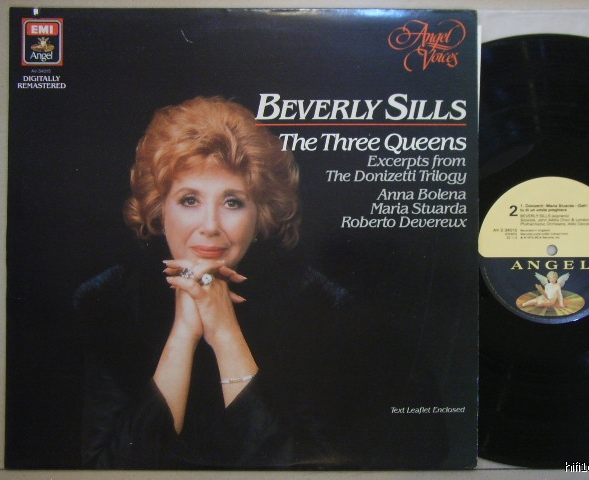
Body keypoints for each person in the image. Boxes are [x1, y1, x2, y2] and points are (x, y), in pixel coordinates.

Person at [75, 96, 447, 469]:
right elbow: (105, 469)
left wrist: (224, 332)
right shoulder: (109, 301)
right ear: (159, 208)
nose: (210, 225)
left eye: (232, 202)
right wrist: (184, 334)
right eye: (189, 200)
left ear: (260, 215)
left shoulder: (321, 308)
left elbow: (305, 467)